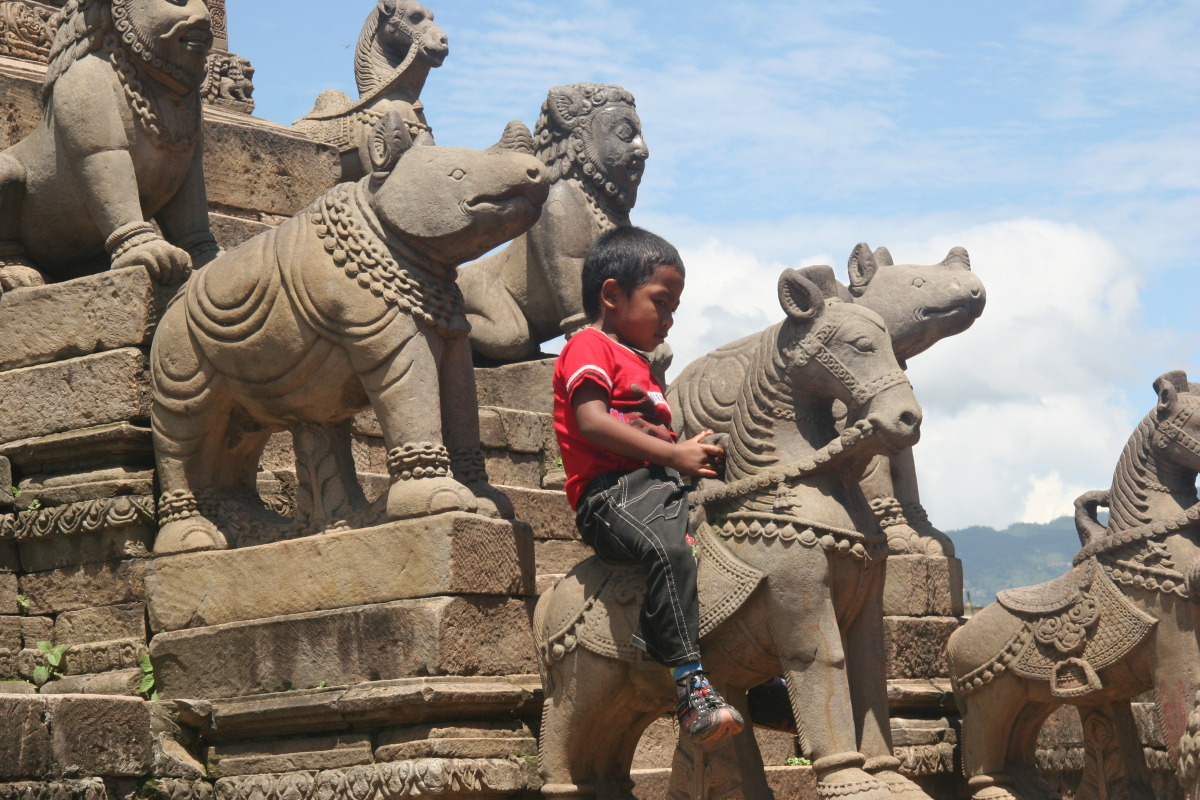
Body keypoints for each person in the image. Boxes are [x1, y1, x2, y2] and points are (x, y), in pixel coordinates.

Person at [552, 226, 744, 743]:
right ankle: (690, 688)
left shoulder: (641, 366)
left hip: (656, 485)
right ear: (612, 295)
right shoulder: (588, 347)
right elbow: (592, 421)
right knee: (670, 550)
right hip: (610, 495)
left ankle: (755, 669)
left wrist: (690, 451)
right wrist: (674, 453)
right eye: (661, 302)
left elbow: (649, 434)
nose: (670, 318)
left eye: (675, 306)